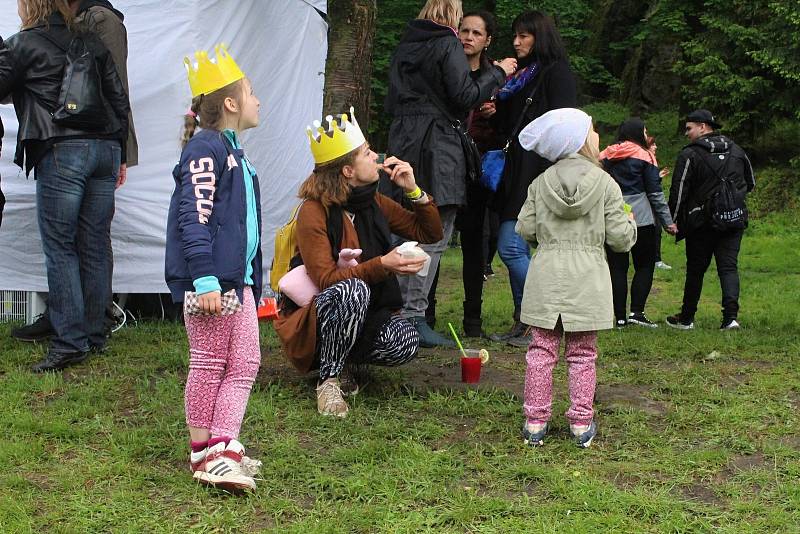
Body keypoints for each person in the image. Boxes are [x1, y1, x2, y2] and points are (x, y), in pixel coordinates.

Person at [273, 108, 444, 419]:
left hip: (365, 313)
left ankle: (346, 362)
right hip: (318, 315)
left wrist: (413, 190)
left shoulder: (372, 202)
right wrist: (383, 264)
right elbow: (326, 279)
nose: (375, 156)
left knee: (405, 342)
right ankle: (328, 380)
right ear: (347, 171)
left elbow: (429, 232)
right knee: (352, 289)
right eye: (366, 152)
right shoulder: (314, 211)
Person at [0, 0, 130, 372]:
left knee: (61, 247)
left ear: (31, 7)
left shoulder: (23, 45)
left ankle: (70, 342)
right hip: (104, 147)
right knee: (93, 243)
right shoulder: (91, 40)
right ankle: (93, 334)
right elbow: (117, 99)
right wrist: (119, 153)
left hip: (63, 151)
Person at [384, 0, 516, 347]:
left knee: (402, 230)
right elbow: (464, 95)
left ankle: (391, 313)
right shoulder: (446, 42)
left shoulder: (407, 44)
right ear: (453, 15)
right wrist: (498, 72)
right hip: (437, 149)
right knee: (434, 235)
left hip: (403, 142)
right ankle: (412, 316)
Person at [165, 44, 264, 492]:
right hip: (211, 281)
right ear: (229, 103)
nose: (257, 100)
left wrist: (252, 283)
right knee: (210, 363)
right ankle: (213, 452)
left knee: (244, 361)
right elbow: (194, 216)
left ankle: (214, 451)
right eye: (250, 92)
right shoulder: (206, 149)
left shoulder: (233, 153)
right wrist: (204, 277)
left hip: (234, 282)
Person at [515, 108, 637, 448]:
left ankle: (535, 421)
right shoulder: (606, 183)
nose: (598, 135)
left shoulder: (540, 183)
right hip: (588, 278)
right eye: (593, 130)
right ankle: (581, 423)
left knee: (541, 349)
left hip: (547, 275)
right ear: (582, 140)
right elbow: (620, 239)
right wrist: (629, 222)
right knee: (583, 352)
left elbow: (524, 228)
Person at [490, 10, 577, 347]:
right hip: (514, 171)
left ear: (540, 36)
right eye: (515, 35)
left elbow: (565, 126)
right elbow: (509, 128)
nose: (516, 41)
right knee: (518, 245)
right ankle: (525, 322)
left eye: (524, 35)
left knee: (510, 246)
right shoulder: (521, 77)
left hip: (537, 173)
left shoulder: (556, 73)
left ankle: (543, 321)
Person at [666, 109, 755, 330]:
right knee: (728, 268)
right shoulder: (737, 150)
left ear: (703, 127)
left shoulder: (689, 155)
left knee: (695, 270)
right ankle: (730, 319)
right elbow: (750, 182)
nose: (686, 133)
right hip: (733, 219)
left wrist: (673, 219)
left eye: (689, 128)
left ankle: (687, 318)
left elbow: (679, 190)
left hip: (700, 223)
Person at [600, 118, 677, 328]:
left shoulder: (607, 154)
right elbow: (655, 193)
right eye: (644, 131)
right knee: (644, 266)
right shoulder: (646, 156)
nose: (646, 134)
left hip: (612, 217)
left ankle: (620, 317)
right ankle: (637, 313)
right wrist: (668, 221)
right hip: (642, 220)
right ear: (637, 133)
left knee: (617, 268)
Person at [455, 9, 502, 338]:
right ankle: (423, 315)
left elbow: (507, 128)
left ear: (487, 40)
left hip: (478, 170)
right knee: (434, 238)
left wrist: (497, 113)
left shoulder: (496, 79)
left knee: (475, 243)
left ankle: (473, 320)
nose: (468, 37)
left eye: (476, 33)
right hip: (446, 163)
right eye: (464, 30)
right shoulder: (449, 70)